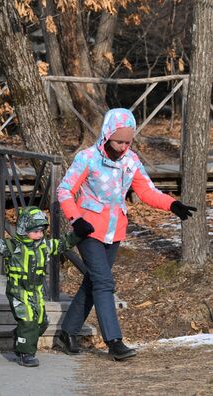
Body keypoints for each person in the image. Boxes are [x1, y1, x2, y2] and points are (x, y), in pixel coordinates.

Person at [56, 108, 196, 361]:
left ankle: (67, 332)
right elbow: (65, 190)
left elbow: (146, 191)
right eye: (119, 141)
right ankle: (114, 341)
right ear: (107, 134)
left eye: (127, 142)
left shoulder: (131, 161)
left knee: (94, 282)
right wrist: (75, 220)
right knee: (105, 282)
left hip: (115, 230)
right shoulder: (87, 158)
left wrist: (172, 204)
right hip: (87, 230)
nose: (123, 147)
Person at [0, 206, 90, 367]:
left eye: (41, 231)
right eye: (35, 231)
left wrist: (79, 233)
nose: (39, 235)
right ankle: (26, 353)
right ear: (24, 229)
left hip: (36, 291)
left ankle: (20, 337)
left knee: (42, 322)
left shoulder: (44, 246)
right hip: (18, 290)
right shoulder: (13, 246)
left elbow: (62, 244)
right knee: (28, 319)